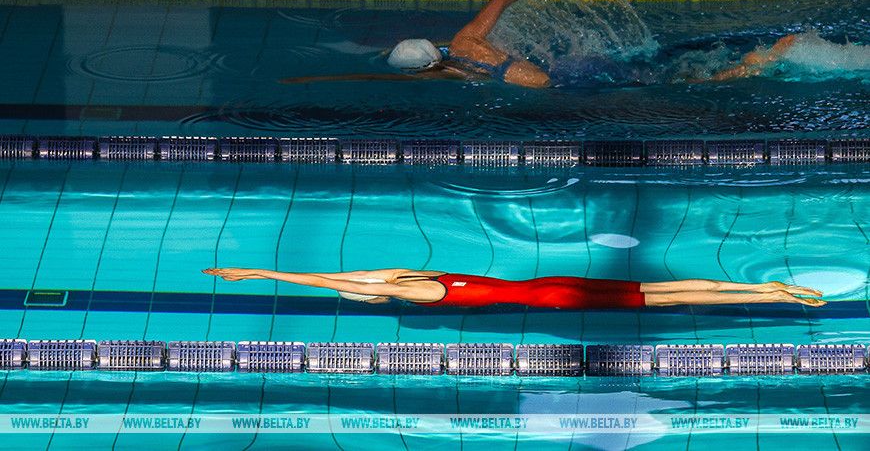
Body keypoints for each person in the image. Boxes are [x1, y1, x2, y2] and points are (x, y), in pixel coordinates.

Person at [280, 0, 583, 88]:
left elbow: (369, 77)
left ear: (422, 70)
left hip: (543, 85)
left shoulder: (447, 73)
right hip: (560, 70)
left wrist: (314, 79)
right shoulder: (465, 41)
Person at [203, 267, 825, 308]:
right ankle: (761, 287)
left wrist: (263, 275)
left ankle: (768, 295)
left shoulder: (420, 296)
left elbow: (326, 281)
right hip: (551, 282)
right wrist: (255, 270)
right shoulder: (409, 274)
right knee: (658, 286)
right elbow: (347, 277)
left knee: (663, 300)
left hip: (551, 299)